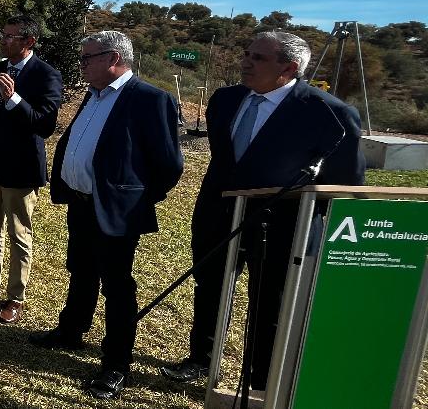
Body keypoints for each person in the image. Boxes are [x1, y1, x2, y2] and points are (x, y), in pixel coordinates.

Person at [161, 31, 364, 390]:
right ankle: (201, 360)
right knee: (211, 287)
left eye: (258, 58)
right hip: (219, 213)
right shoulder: (225, 100)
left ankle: (260, 376)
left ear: (289, 68)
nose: (246, 62)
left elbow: (345, 183)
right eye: (247, 53)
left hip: (283, 225)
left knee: (271, 299)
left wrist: (301, 206)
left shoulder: (329, 113)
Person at [31, 30, 182, 401]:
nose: (81, 64)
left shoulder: (149, 99)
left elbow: (168, 164)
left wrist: (132, 199)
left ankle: (116, 363)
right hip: (81, 202)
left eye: (87, 58)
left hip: (115, 210)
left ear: (113, 59)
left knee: (117, 285)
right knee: (80, 269)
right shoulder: (94, 94)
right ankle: (71, 331)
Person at [0, 14, 63, 325]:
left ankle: (15, 296)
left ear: (29, 41)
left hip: (21, 166)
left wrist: (14, 98)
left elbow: (45, 125)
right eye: (3, 34)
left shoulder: (46, 75)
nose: (3, 40)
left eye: (10, 36)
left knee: (19, 232)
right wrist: (4, 101)